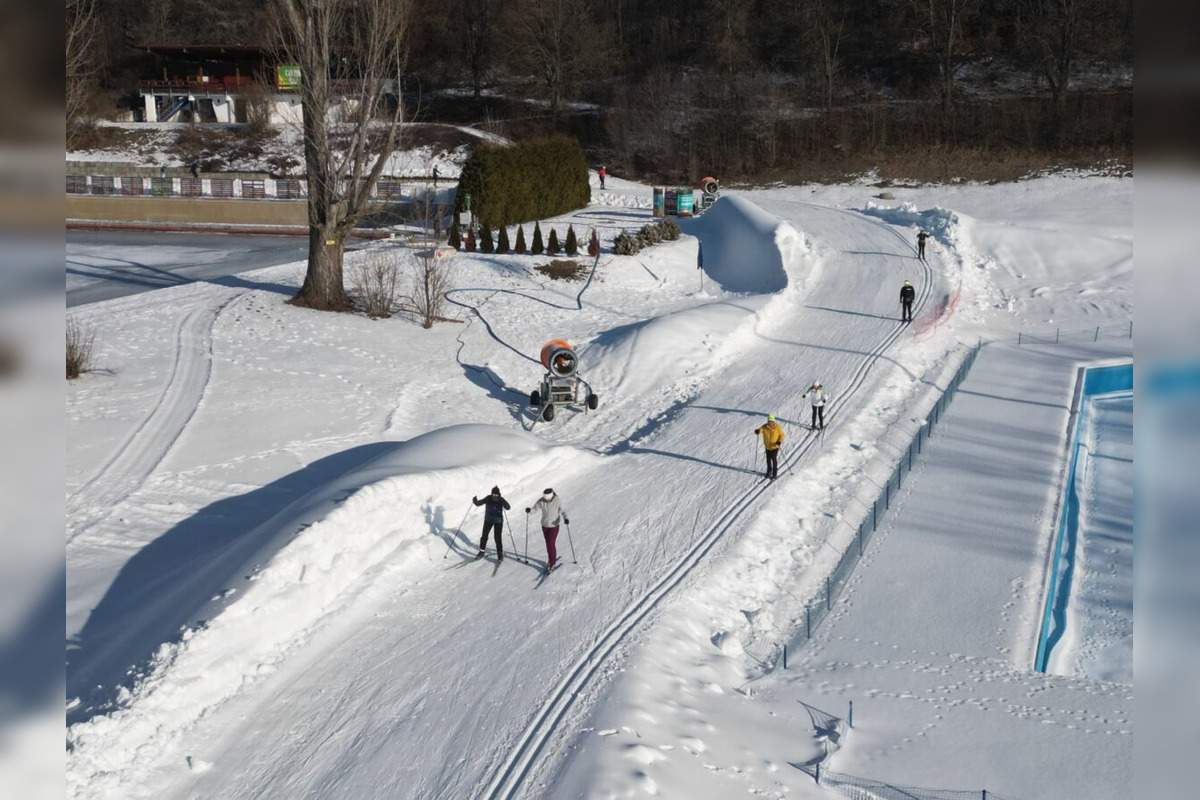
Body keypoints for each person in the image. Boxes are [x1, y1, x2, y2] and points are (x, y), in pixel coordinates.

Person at [526, 488, 569, 573]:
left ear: (552, 496)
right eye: (545, 498)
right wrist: (530, 510)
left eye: (548, 498)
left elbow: (563, 511)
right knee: (548, 544)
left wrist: (566, 518)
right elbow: (534, 509)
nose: (547, 499)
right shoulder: (541, 501)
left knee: (550, 544)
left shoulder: (557, 500)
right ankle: (551, 559)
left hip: (554, 526)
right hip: (544, 525)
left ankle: (552, 563)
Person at [472, 486, 511, 561]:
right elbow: (479, 503)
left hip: (498, 521)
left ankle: (500, 554)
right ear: (491, 493)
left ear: (498, 494)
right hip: (488, 520)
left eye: (496, 494)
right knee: (484, 536)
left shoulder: (501, 499)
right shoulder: (488, 498)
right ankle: (482, 551)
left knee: (497, 538)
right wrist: (475, 500)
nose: (494, 496)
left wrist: (503, 502)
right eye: (493, 494)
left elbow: (508, 507)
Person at [753, 414, 785, 479]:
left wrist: (779, 441)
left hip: (775, 446)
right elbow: (760, 430)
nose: (769, 423)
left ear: (773, 421)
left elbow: (782, 435)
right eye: (768, 421)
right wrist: (757, 431)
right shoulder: (765, 426)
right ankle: (769, 471)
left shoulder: (778, 427)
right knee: (768, 460)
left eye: (771, 421)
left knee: (773, 459)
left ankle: (774, 474)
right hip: (767, 446)